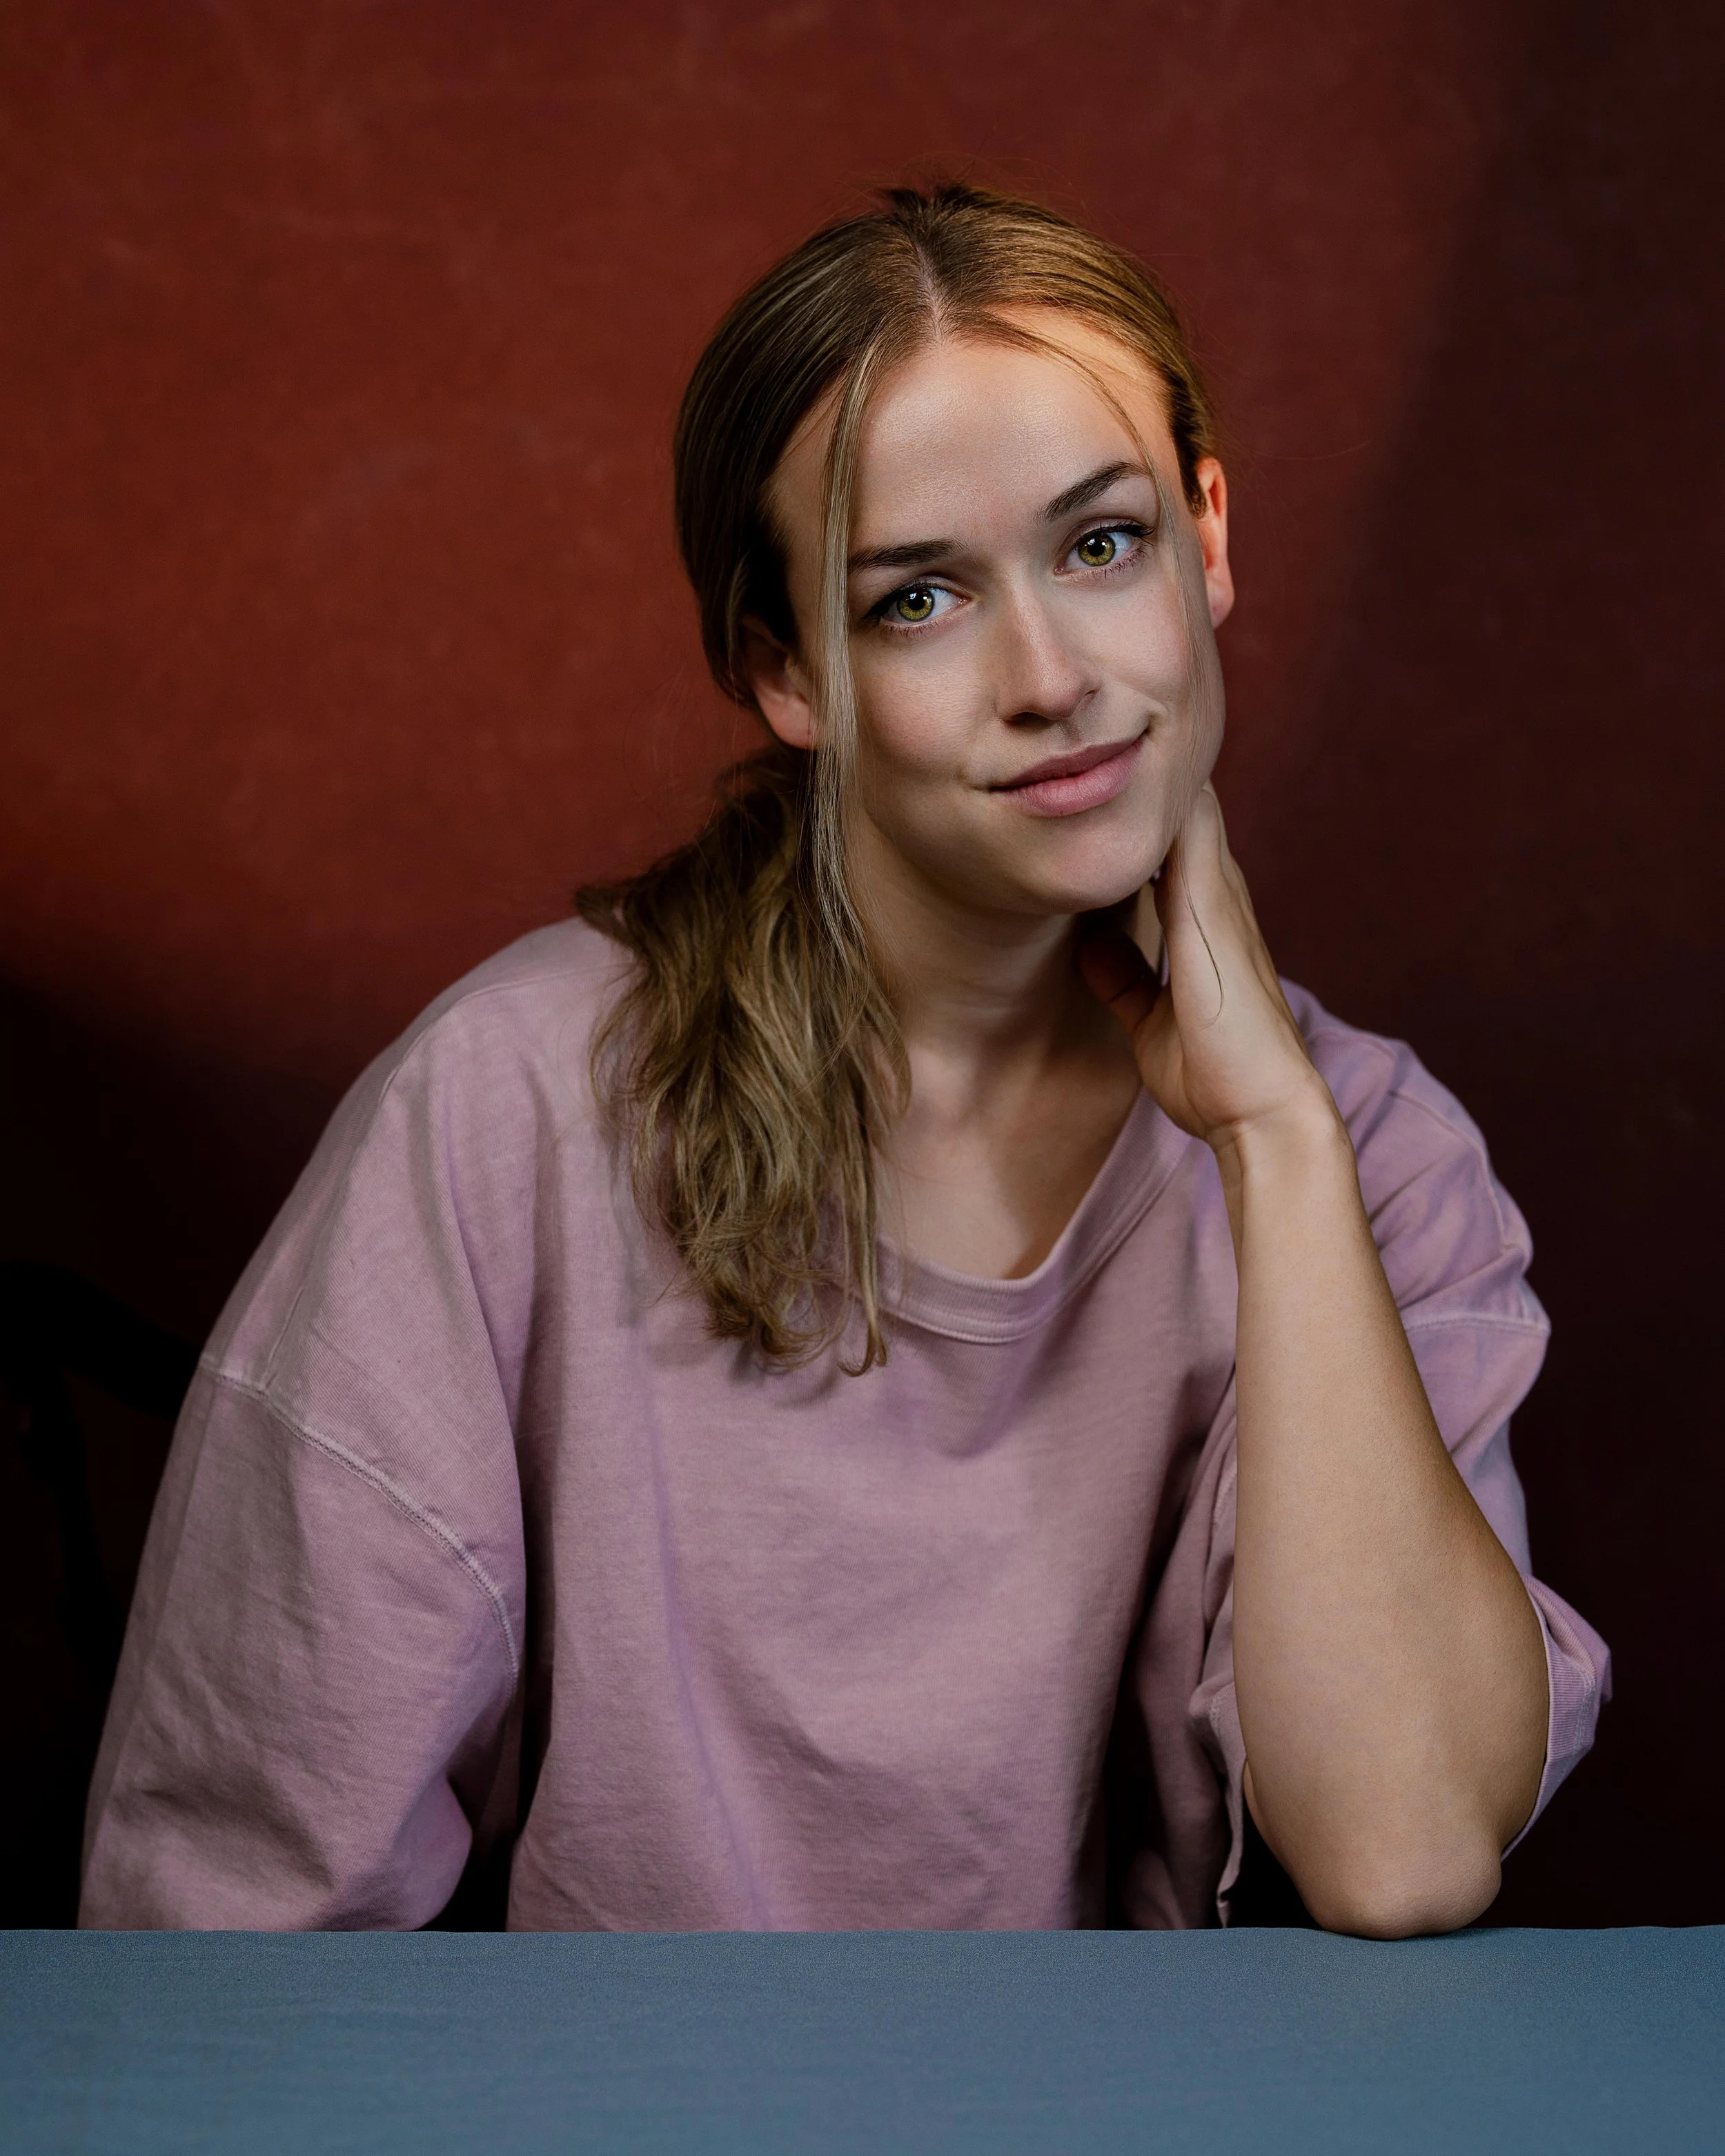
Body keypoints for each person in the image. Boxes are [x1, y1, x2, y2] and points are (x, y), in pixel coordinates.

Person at [80, 184, 1608, 1936]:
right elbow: (229, 1920)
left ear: (1206, 532)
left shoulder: (1373, 1156)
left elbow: (1403, 1852)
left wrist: (1270, 1134)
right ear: (782, 671)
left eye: (1099, 545)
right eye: (917, 599)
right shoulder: (505, 1110)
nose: (1050, 676)